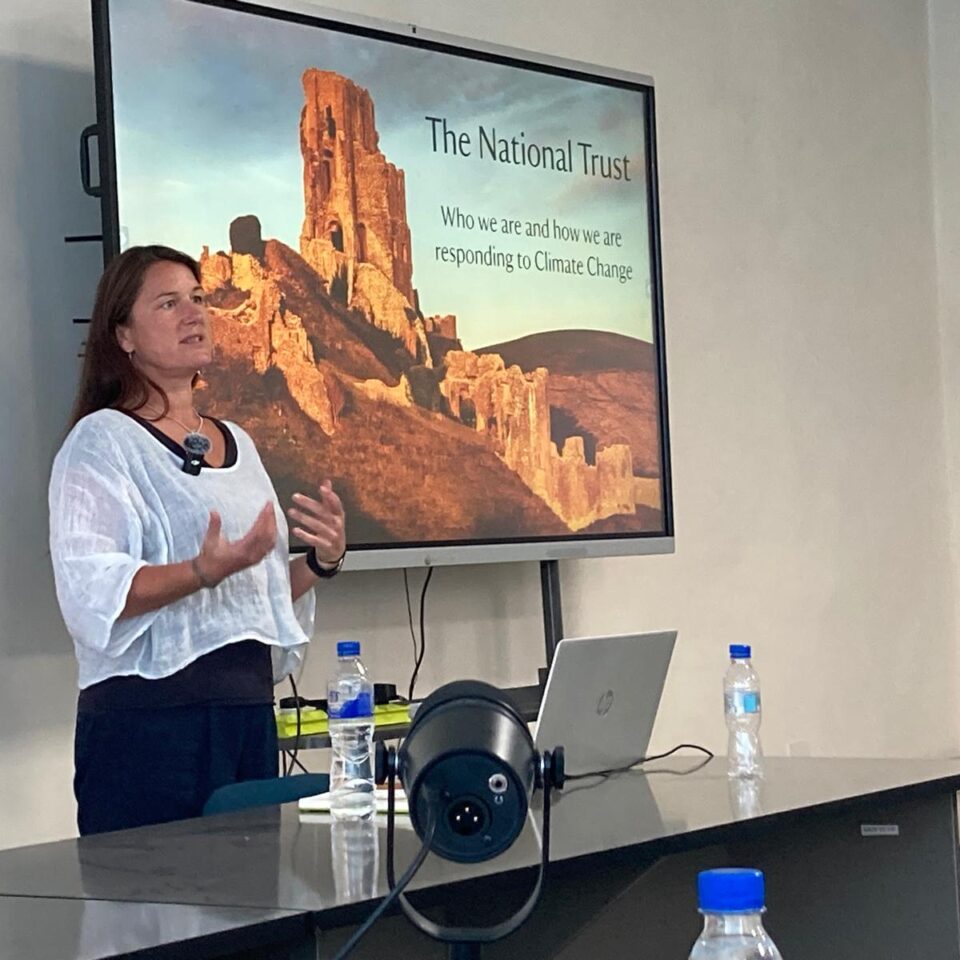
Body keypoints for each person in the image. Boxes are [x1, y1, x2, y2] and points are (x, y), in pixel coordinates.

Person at [49, 245, 346, 835]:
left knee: (255, 916)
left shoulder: (237, 440)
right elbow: (94, 592)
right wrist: (199, 571)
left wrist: (320, 560)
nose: (195, 314)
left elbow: (248, 600)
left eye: (199, 298)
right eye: (168, 303)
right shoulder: (102, 441)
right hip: (150, 731)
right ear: (124, 336)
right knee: (157, 920)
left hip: (247, 717)